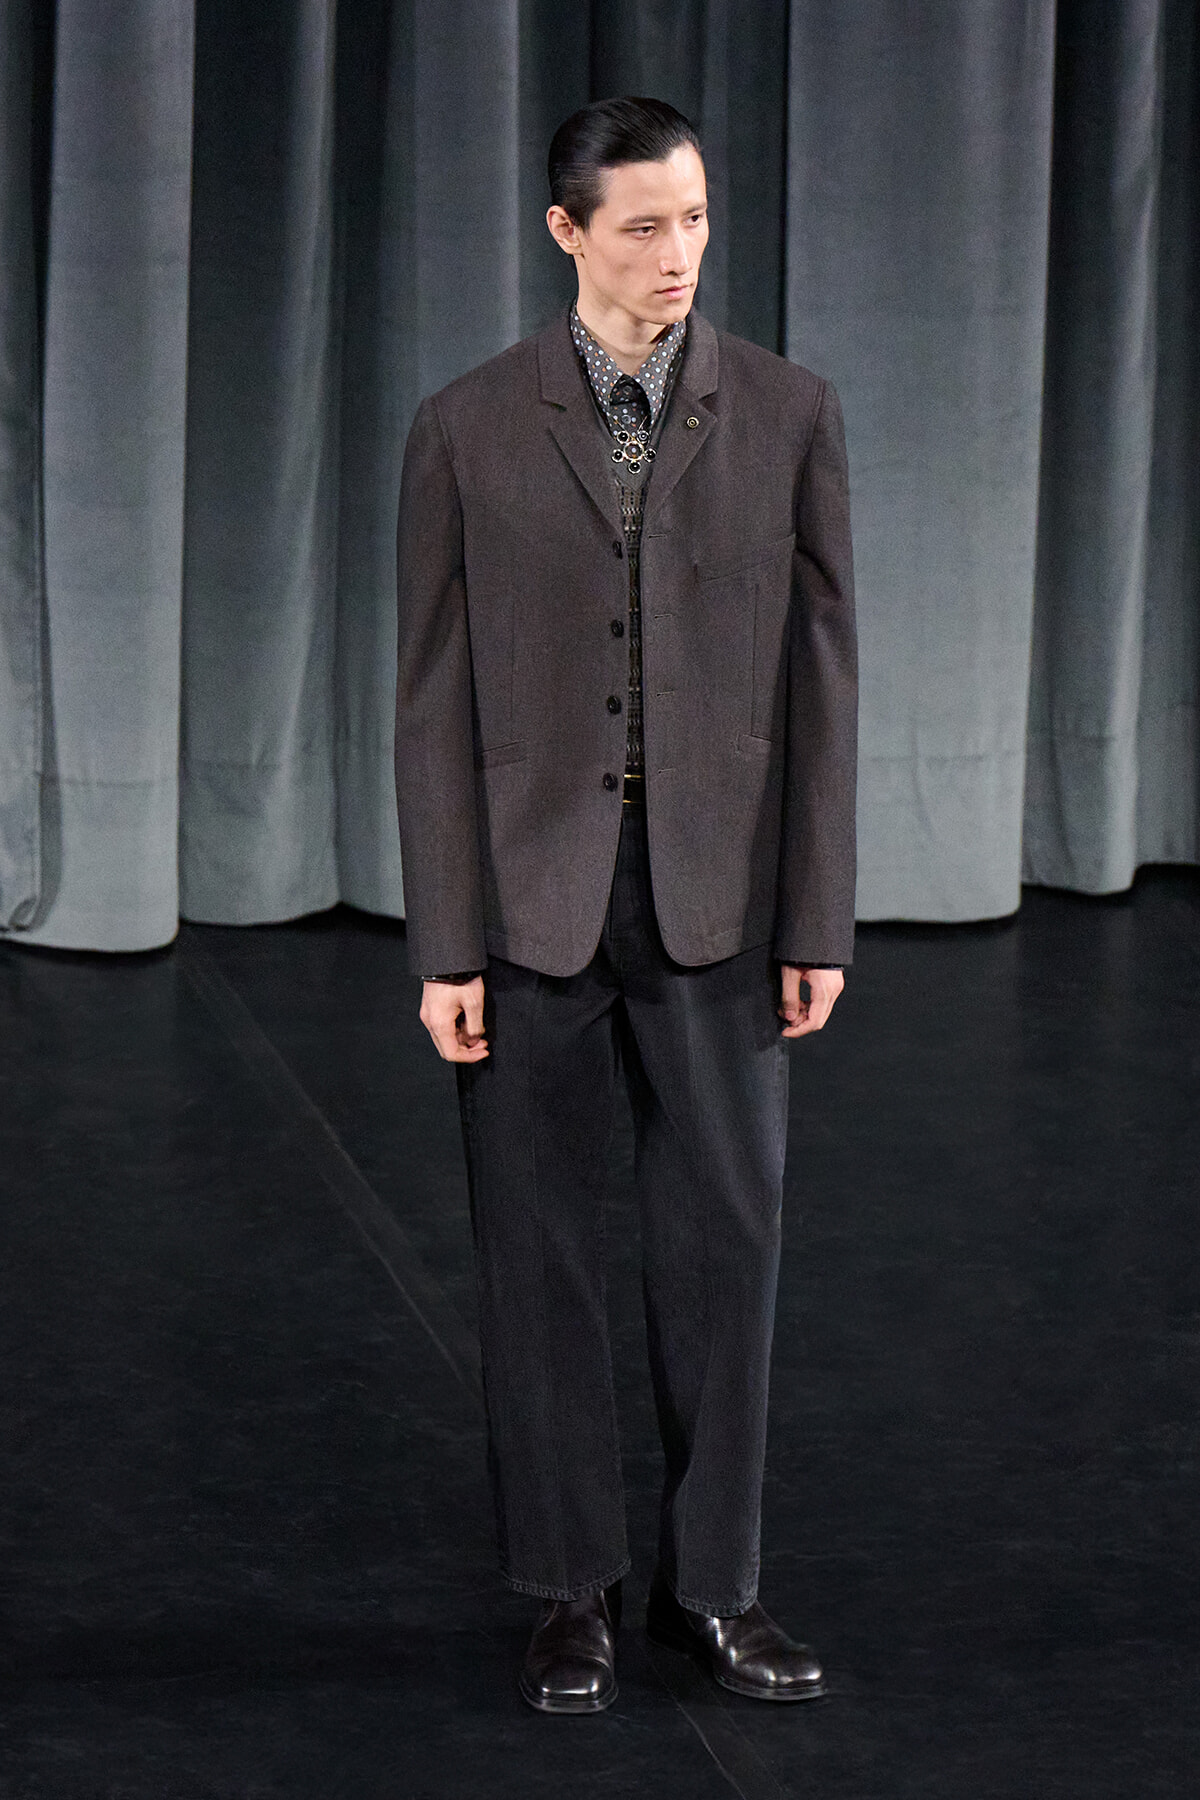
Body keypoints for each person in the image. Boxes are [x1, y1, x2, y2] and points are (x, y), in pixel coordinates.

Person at [394, 96, 857, 1715]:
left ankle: (714, 1589)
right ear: (567, 233)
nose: (681, 254)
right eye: (645, 224)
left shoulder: (790, 412)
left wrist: (820, 921)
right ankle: (570, 1590)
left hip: (725, 906)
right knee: (540, 1257)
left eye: (699, 219)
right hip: (529, 909)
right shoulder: (464, 427)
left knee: (728, 1247)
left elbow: (821, 691)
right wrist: (446, 941)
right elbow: (432, 700)